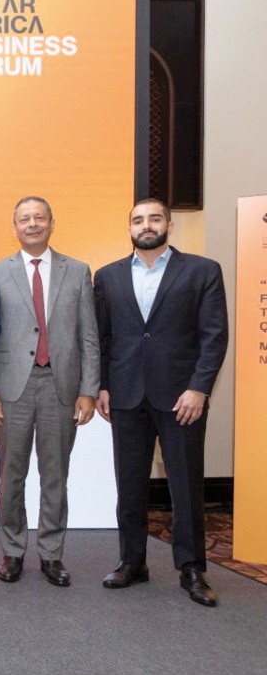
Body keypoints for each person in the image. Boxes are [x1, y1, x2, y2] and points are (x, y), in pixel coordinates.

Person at [95, 197, 228, 607]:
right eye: (138, 219)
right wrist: (102, 385)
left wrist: (199, 388)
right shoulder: (108, 276)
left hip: (181, 397)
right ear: (129, 227)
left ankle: (192, 568)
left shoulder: (203, 271)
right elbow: (103, 338)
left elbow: (214, 336)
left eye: (154, 218)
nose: (146, 225)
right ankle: (132, 561)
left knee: (185, 484)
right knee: (129, 484)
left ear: (170, 224)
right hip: (126, 394)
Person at [0, 197, 100, 587]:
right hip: (11, 388)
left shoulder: (78, 271)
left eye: (39, 218)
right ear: (13, 226)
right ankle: (12, 551)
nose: (32, 224)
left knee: (55, 475)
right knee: (11, 475)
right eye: (24, 219)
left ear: (52, 223)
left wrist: (88, 389)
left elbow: (89, 336)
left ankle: (51, 554)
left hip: (61, 387)